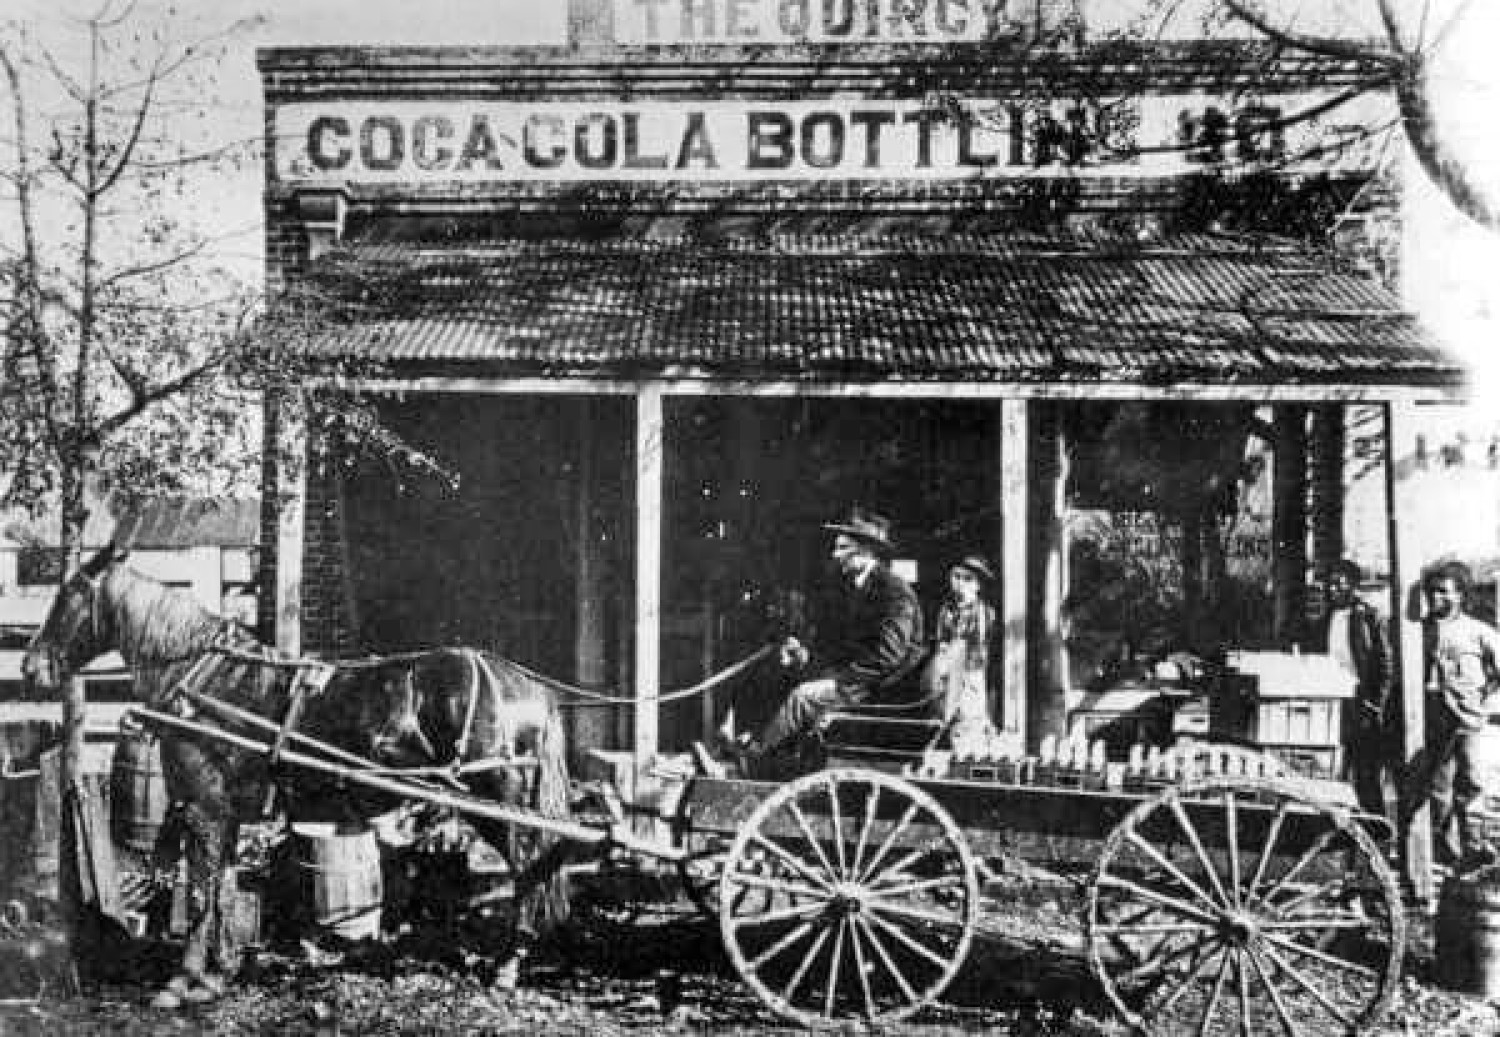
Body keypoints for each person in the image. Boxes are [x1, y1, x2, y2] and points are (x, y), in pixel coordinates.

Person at [696, 507, 926, 776]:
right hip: (858, 678)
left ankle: (748, 765)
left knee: (803, 697)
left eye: (843, 548)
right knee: (776, 678)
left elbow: (888, 656)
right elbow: (841, 643)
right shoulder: (852, 586)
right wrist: (806, 655)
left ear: (867, 551)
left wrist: (838, 678)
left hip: (882, 686)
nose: (835, 555)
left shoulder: (894, 591)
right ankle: (749, 750)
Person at [1401, 560, 1500, 871]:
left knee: (1472, 783)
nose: (1438, 598)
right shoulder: (1419, 630)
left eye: (1445, 592)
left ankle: (1476, 851)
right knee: (1439, 789)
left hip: (1468, 720)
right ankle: (1449, 854)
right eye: (1433, 591)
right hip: (1434, 720)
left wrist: (1482, 696)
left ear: (1461, 595)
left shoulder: (1478, 632)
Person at [1314, 559, 1392, 817]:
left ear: (1354, 586)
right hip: (1333, 699)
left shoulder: (1369, 617)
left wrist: (1376, 702)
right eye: (1330, 584)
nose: (1333, 589)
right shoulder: (1326, 619)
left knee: (1366, 769)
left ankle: (1374, 824)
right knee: (1334, 765)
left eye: (1340, 584)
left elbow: (1386, 663)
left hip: (1361, 701)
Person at [930, 555, 998, 757]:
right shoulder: (947, 610)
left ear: (977, 585)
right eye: (956, 577)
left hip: (971, 674)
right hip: (948, 672)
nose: (960, 583)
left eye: (967, 579)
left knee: (970, 719)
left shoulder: (983, 612)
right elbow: (942, 641)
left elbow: (981, 649)